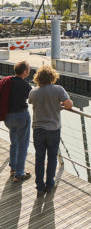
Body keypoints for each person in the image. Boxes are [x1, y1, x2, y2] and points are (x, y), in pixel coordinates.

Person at [28, 65, 73, 196]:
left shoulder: (34, 92)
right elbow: (69, 104)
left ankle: (39, 187)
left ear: (38, 78)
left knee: (39, 158)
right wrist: (58, 104)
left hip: (38, 129)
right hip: (53, 129)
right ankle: (49, 184)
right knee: (52, 158)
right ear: (53, 77)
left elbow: (31, 102)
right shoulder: (58, 89)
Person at [5, 60, 32, 182]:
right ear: (25, 72)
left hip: (8, 117)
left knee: (14, 142)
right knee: (23, 145)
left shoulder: (8, 82)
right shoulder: (25, 85)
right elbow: (32, 99)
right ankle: (20, 173)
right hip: (22, 116)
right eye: (29, 68)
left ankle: (13, 168)